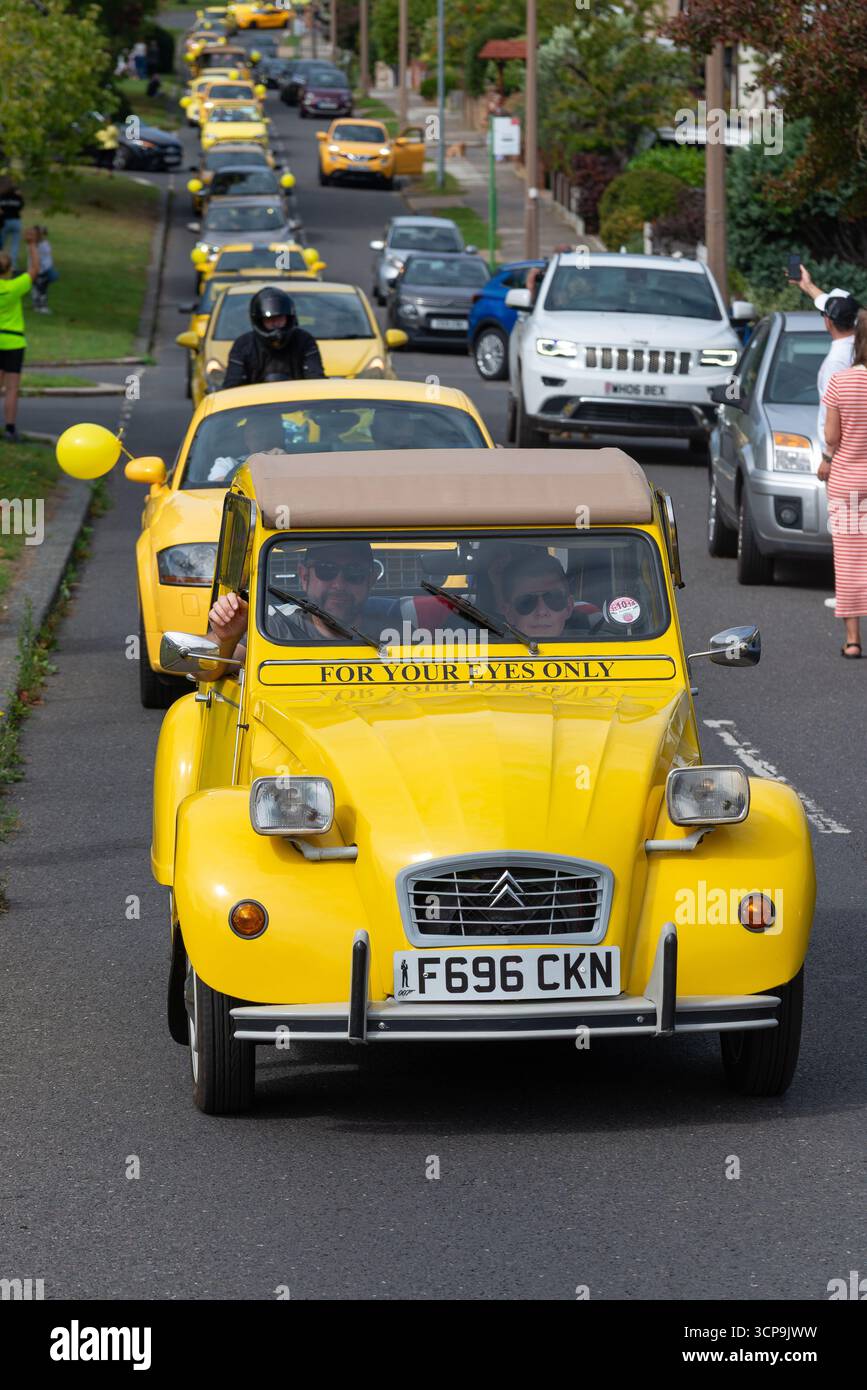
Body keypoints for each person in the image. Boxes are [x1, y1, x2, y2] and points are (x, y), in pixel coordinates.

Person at [792, 266, 858, 610]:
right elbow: (838, 308)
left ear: (828, 322)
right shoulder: (855, 341)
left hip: (844, 455)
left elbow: (839, 416)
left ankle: (850, 595)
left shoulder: (837, 362)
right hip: (854, 452)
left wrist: (829, 458)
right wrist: (808, 287)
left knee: (847, 531)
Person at [207, 540, 378, 670]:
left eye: (354, 572)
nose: (339, 584)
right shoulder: (272, 627)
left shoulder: (398, 629)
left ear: (371, 579)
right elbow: (208, 671)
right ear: (304, 577)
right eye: (326, 570)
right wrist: (225, 638)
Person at [818, 310, 867, 658]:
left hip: (847, 482)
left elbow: (832, 436)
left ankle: (853, 640)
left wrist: (828, 459)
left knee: (849, 559)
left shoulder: (841, 382)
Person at [222, 287, 325, 390]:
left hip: (297, 401)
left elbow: (316, 380)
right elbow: (232, 386)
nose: (275, 323)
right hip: (255, 402)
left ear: (288, 318)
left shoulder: (304, 340)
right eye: (269, 320)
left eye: (280, 318)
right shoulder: (243, 345)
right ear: (259, 320)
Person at [0, 228, 42, 443]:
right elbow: (35, 269)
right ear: (9, 269)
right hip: (14, 341)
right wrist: (32, 244)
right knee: (12, 388)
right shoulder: (14, 287)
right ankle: (9, 428)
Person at [500, 554, 574, 639]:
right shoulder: (486, 649)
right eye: (526, 602)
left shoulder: (591, 645)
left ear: (569, 607)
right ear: (509, 613)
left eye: (553, 599)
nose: (541, 612)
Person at [207, 412, 285, 482]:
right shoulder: (227, 464)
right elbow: (215, 489)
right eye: (258, 436)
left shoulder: (294, 458)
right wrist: (253, 462)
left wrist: (288, 462)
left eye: (271, 436)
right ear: (247, 439)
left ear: (281, 436)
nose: (265, 441)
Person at [31, 227, 58, 314]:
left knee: (39, 288)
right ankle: (41, 306)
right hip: (41, 271)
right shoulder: (35, 245)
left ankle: (37, 305)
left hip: (45, 269)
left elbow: (48, 256)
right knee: (41, 289)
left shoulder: (44, 243)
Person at [0, 180, 24, 270]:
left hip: (4, 222)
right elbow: (21, 207)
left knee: (1, 244)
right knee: (15, 244)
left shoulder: (2, 197)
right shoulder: (17, 197)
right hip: (16, 221)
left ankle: (2, 263)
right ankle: (12, 264)